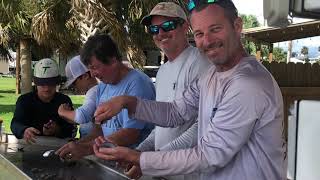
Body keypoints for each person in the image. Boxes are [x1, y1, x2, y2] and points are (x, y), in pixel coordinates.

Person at [92, 1, 287, 180]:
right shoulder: (211, 75)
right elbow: (176, 112)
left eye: (215, 29)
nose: (207, 41)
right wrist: (128, 102)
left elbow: (209, 155)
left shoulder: (247, 83)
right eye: (200, 34)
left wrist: (141, 159)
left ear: (237, 26)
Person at [124, 2, 209, 180]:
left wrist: (155, 158)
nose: (160, 33)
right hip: (164, 170)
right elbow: (160, 127)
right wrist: (141, 151)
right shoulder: (162, 72)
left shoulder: (200, 62)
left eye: (168, 26)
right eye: (154, 29)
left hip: (189, 172)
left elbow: (203, 126)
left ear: (185, 27)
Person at [55, 34, 155, 161]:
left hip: (134, 164)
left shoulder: (138, 84)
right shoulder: (103, 86)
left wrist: (86, 149)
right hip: (110, 161)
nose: (92, 74)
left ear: (113, 60)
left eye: (95, 67)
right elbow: (99, 130)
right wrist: (78, 145)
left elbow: (130, 134)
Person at [11, 58, 77, 143]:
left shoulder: (64, 101)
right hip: (31, 147)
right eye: (42, 84)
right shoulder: (24, 100)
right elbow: (15, 123)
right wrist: (24, 130)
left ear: (56, 83)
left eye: (51, 84)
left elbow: (71, 130)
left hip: (58, 148)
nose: (46, 88)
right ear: (36, 83)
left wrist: (57, 130)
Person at [58, 55, 98, 137]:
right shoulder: (97, 90)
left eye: (74, 83)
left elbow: (82, 116)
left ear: (85, 76)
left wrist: (62, 112)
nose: (74, 87)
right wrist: (69, 116)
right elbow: (90, 118)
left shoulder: (93, 91)